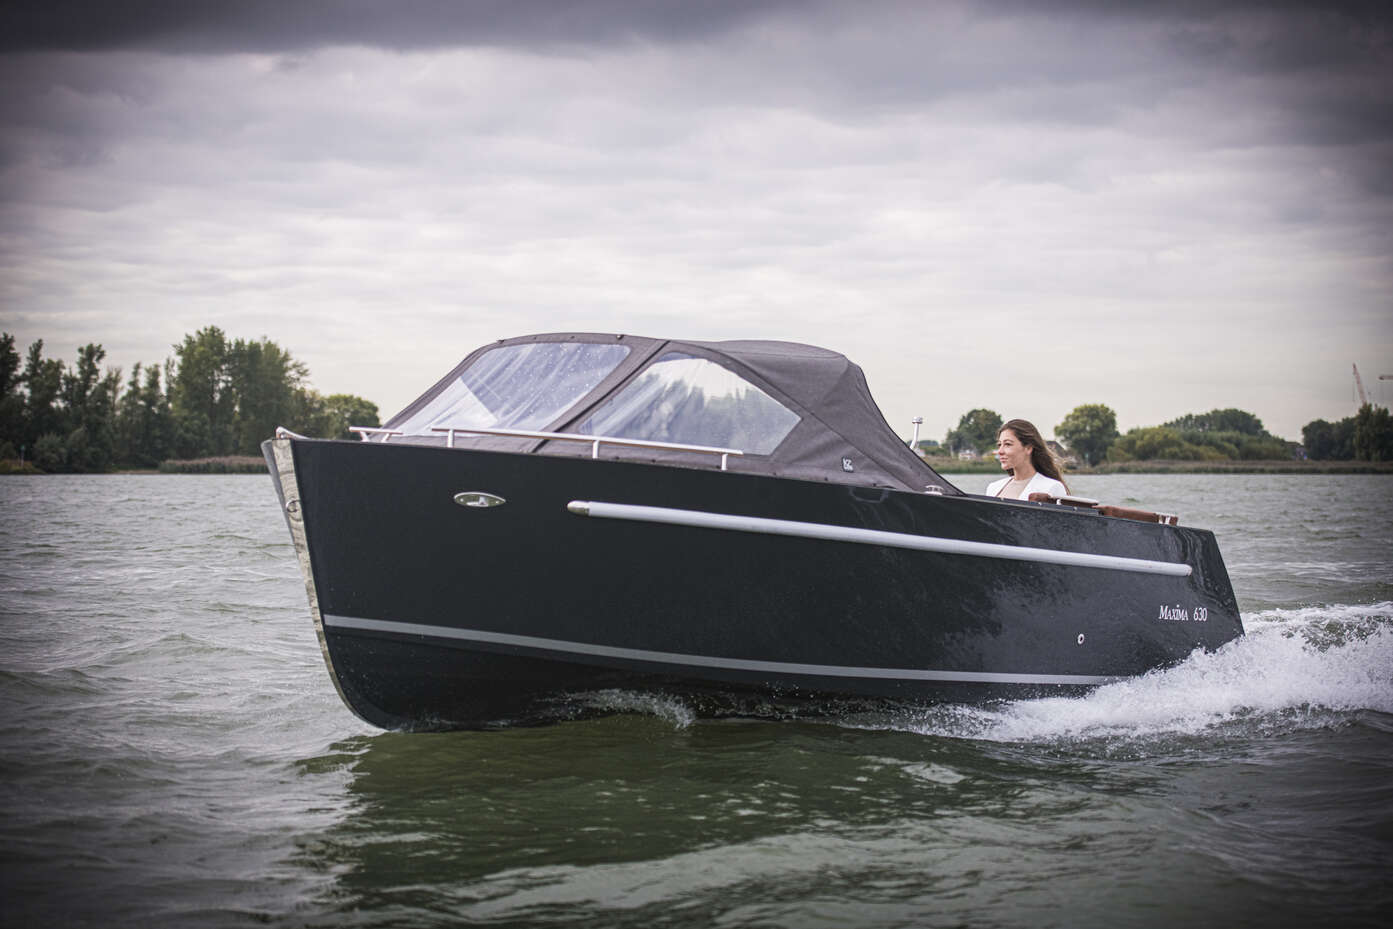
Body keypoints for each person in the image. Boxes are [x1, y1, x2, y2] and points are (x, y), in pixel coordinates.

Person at [985, 419, 1070, 499]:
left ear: (1028, 448)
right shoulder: (993, 488)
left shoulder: (1052, 488)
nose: (1000, 451)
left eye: (1008, 444)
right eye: (999, 445)